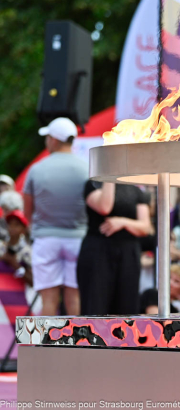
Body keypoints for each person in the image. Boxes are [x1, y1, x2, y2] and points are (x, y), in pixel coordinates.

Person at [23, 118, 88, 316]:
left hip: (46, 239)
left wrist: (36, 227)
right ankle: (77, 345)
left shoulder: (37, 169)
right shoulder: (86, 168)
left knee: (48, 299)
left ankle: (47, 345)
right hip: (78, 239)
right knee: (74, 296)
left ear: (53, 140)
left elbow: (27, 211)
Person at [77, 181, 152, 315]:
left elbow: (145, 227)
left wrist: (122, 222)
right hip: (98, 252)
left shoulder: (136, 190)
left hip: (128, 253)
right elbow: (105, 207)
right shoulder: (93, 184)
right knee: (96, 305)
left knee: (126, 306)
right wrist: (109, 179)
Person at [0, 210, 33, 287]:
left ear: (24, 229)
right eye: (10, 224)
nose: (12, 227)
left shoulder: (27, 251)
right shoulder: (1, 246)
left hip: (20, 293)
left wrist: (15, 265)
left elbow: (33, 282)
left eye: (17, 225)